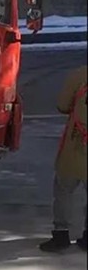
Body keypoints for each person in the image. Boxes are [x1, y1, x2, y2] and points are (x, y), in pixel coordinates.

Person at [39, 65, 88, 252]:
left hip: (77, 142)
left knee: (63, 190)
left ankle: (61, 235)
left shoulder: (79, 75)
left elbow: (63, 105)